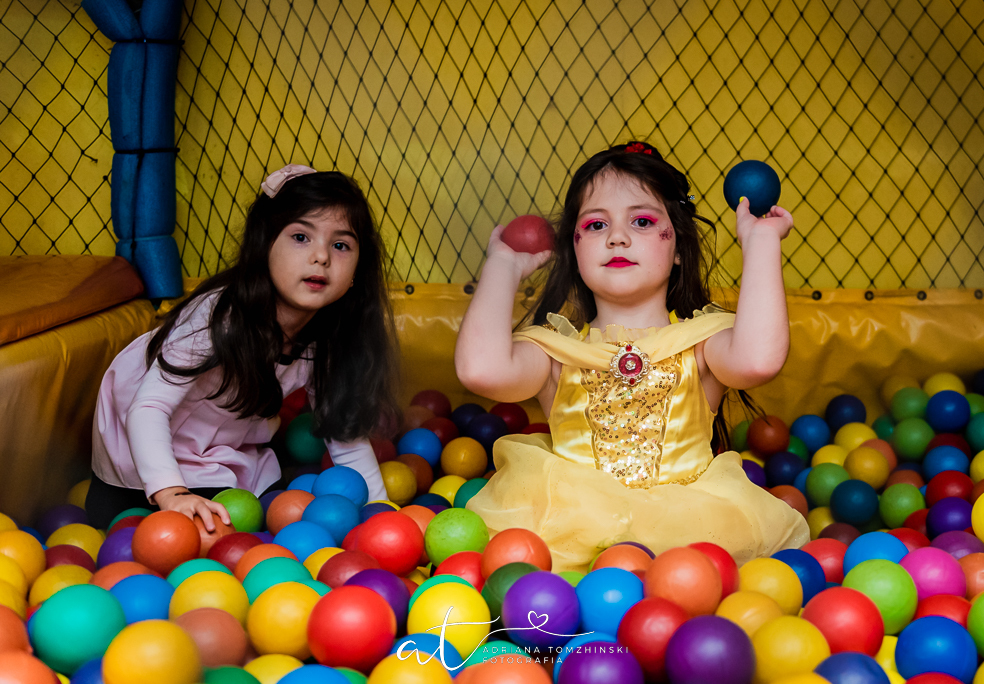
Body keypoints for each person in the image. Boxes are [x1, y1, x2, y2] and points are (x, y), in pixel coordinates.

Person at [455, 142, 810, 572]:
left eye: (642, 221)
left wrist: (761, 244)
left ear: (677, 246)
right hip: (566, 537)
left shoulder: (701, 343)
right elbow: (481, 369)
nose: (617, 237)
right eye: (596, 224)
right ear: (576, 248)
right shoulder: (557, 353)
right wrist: (503, 267)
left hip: (689, 538)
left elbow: (758, 360)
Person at [87, 165, 399, 530]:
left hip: (223, 446)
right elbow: (149, 407)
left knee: (271, 512)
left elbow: (344, 435)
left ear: (356, 275)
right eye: (301, 237)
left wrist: (379, 513)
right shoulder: (219, 315)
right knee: (207, 531)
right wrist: (172, 492)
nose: (321, 257)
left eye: (341, 245)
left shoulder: (329, 335)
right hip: (142, 443)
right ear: (265, 245)